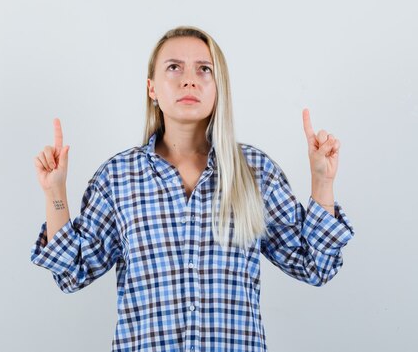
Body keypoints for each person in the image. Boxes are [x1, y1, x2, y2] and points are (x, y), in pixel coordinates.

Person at [30, 26, 355, 352]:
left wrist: (322, 181)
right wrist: (55, 193)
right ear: (152, 88)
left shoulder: (256, 173)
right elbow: (72, 272)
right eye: (174, 67)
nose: (189, 80)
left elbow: (316, 266)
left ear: (219, 88)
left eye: (204, 69)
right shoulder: (117, 178)